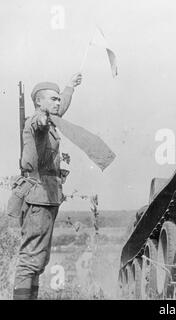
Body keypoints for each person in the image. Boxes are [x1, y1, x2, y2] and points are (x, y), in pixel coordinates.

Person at [11, 73, 82, 300]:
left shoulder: (51, 122)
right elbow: (39, 122)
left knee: (40, 259)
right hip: (37, 196)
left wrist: (69, 87)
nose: (58, 102)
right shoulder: (36, 122)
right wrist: (42, 117)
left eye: (59, 99)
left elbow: (58, 112)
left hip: (47, 196)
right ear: (38, 102)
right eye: (53, 99)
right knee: (31, 258)